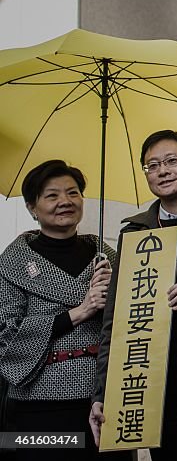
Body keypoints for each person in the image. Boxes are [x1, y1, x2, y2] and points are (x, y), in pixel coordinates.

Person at [89, 130, 177, 459]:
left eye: (172, 161)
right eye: (152, 165)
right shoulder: (136, 234)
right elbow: (116, 322)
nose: (163, 171)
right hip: (160, 388)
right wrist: (105, 392)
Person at [0, 161, 127, 460]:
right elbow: (6, 339)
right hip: (38, 405)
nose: (65, 202)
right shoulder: (12, 262)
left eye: (73, 193)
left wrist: (115, 297)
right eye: (52, 195)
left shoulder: (106, 258)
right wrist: (79, 311)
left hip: (103, 397)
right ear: (32, 207)